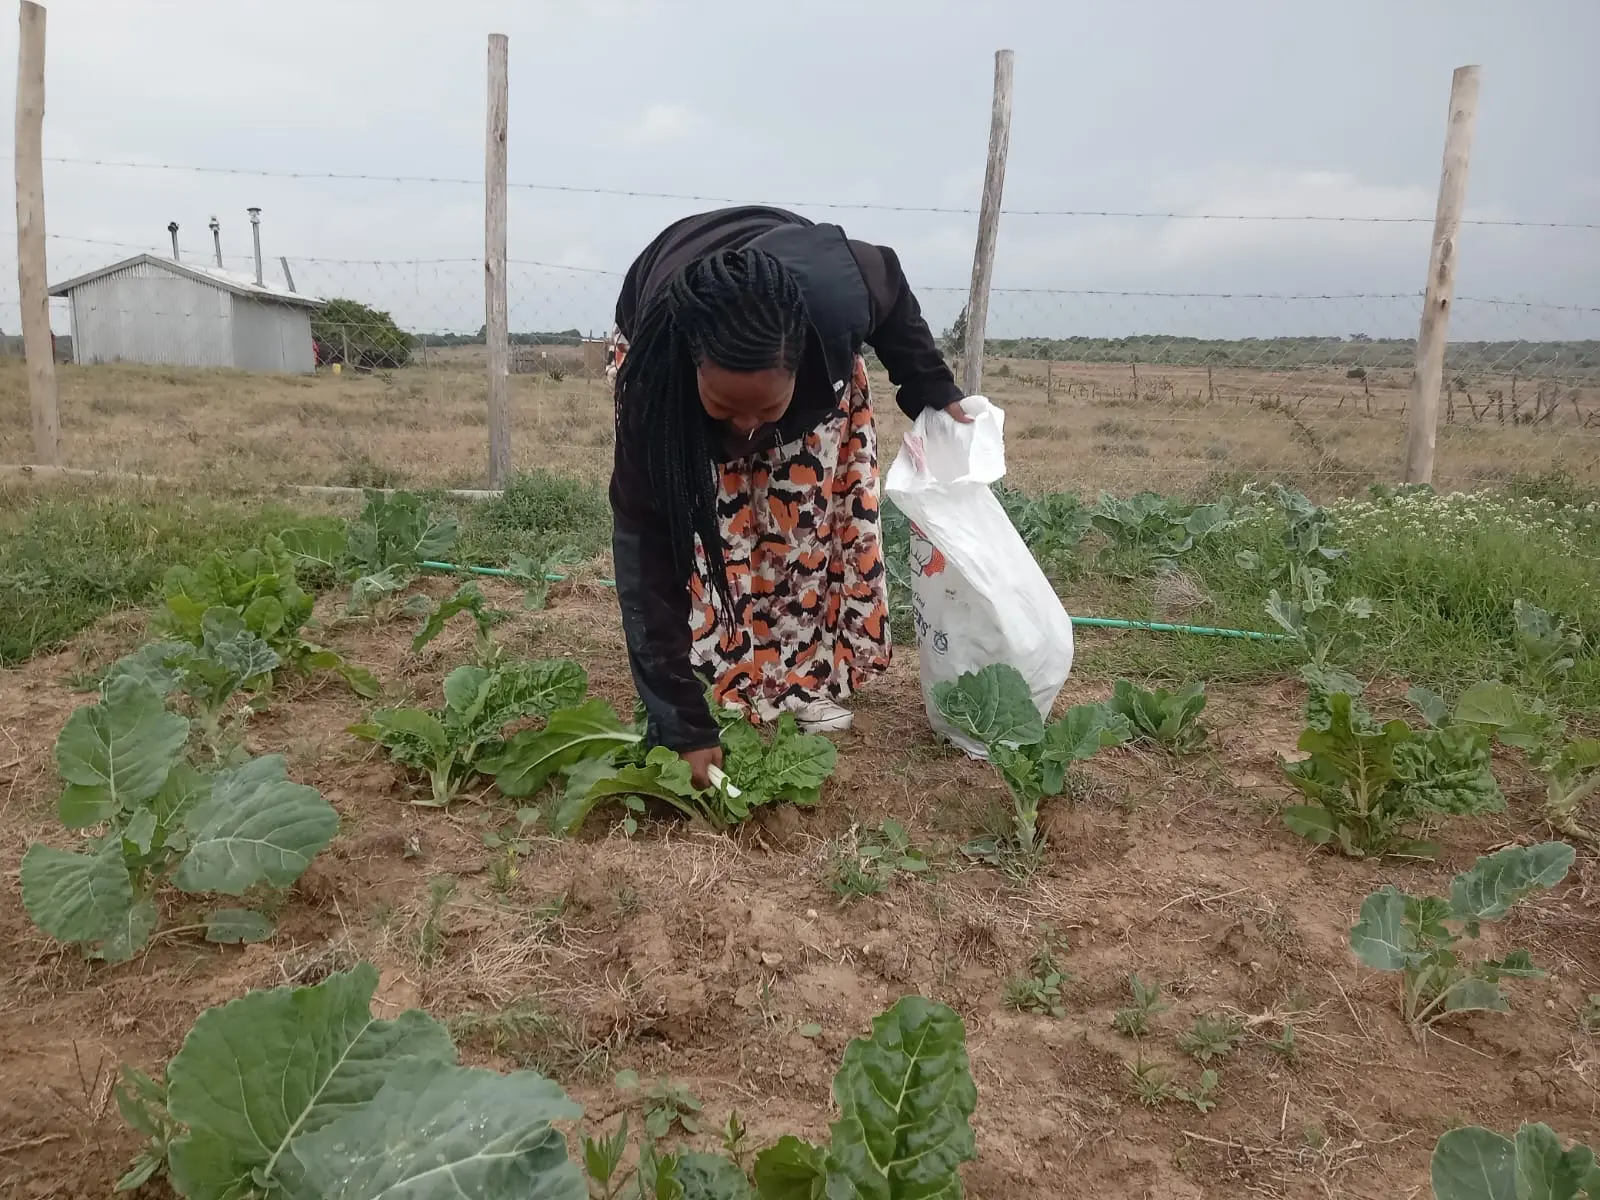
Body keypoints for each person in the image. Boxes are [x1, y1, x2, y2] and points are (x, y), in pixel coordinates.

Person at [610, 205, 968, 787]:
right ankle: (714, 675)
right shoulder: (658, 385)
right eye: (726, 407)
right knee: (711, 536)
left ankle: (799, 681)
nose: (749, 429)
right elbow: (644, 549)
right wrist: (678, 724)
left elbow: (892, 288)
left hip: (794, 304)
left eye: (767, 408)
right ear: (695, 373)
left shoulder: (837, 299)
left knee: (801, 534)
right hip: (663, 315)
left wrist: (927, 381)